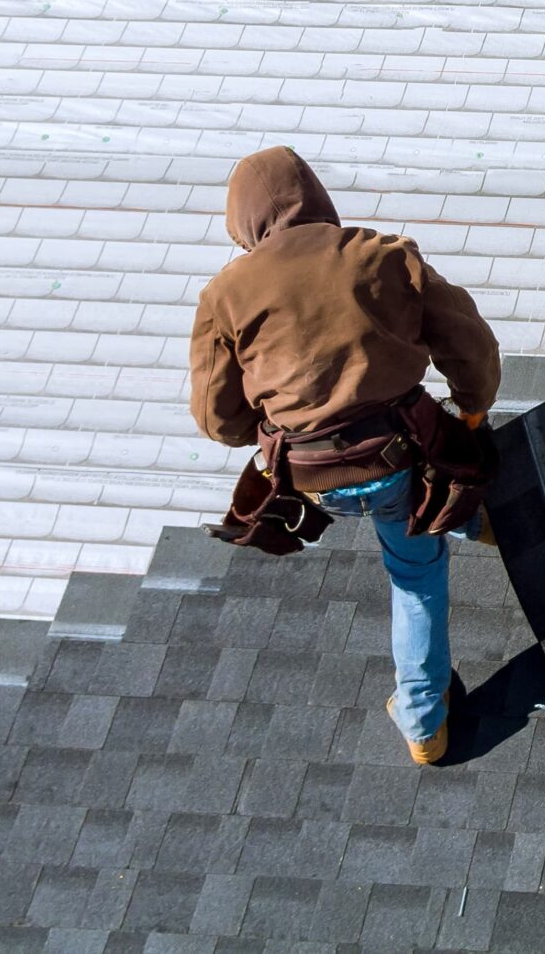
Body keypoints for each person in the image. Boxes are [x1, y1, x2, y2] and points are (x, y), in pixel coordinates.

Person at [188, 147, 499, 764]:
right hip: (400, 459)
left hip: (311, 480)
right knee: (414, 575)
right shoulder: (381, 254)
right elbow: (471, 345)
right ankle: (423, 725)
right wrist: (469, 411)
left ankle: (466, 519)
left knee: (405, 513)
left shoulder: (224, 295)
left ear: (243, 221)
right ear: (316, 198)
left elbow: (219, 421)